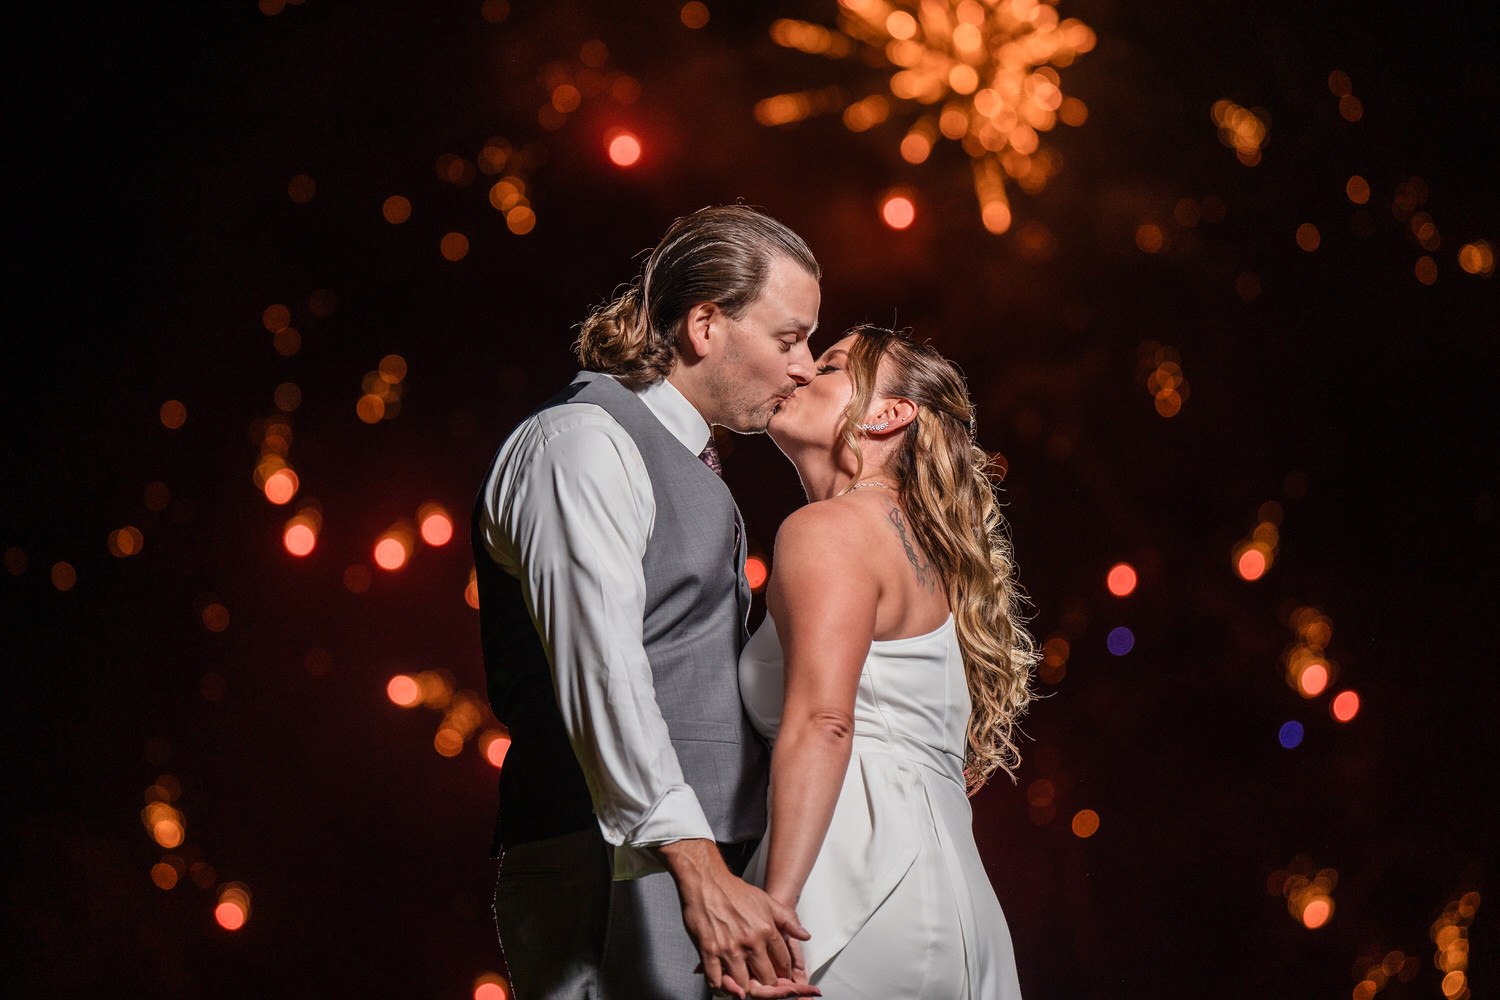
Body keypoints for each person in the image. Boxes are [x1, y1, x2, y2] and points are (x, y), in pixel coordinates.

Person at [472, 205, 826, 1000]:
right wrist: (695, 867)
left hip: (688, 859)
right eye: (789, 337)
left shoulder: (683, 457)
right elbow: (603, 666)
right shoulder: (580, 443)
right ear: (705, 324)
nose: (806, 365)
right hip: (616, 860)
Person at [736, 325, 1038, 997]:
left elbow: (824, 722)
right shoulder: (924, 554)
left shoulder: (829, 530)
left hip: (851, 886)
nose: (797, 372)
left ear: (887, 414)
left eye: (829, 366)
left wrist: (774, 908)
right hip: (958, 906)